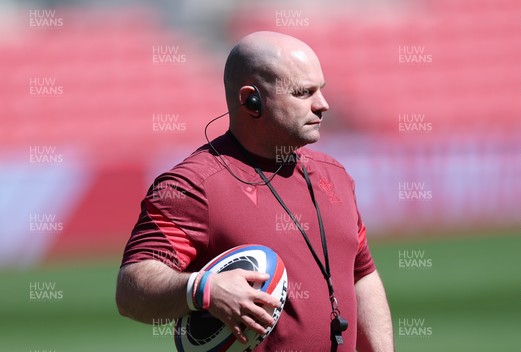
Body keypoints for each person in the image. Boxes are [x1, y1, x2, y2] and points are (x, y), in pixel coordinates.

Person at [115, 31, 394, 351]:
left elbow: (362, 274)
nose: (323, 105)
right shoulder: (192, 186)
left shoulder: (336, 176)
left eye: (322, 90)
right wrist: (203, 289)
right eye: (304, 93)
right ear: (252, 100)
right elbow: (130, 291)